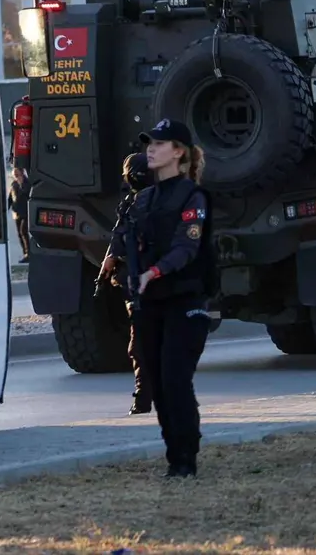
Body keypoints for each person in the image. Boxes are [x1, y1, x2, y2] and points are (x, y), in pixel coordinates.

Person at [110, 118, 216, 478]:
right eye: (148, 144)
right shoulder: (142, 200)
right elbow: (127, 241)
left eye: (159, 143)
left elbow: (187, 247)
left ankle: (186, 458)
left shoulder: (194, 197)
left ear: (179, 152)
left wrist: (153, 273)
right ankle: (174, 455)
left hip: (185, 300)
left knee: (175, 379)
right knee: (156, 382)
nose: (150, 149)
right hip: (150, 302)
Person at [98, 151, 156, 415]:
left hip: (145, 285)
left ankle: (144, 398)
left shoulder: (136, 207)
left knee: (140, 345)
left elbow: (120, 243)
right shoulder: (160, 201)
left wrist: (112, 263)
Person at [9, 157, 32, 264]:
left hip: (25, 212)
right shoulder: (13, 184)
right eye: (14, 174)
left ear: (22, 173)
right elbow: (10, 197)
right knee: (19, 233)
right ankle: (25, 254)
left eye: (17, 174)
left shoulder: (27, 183)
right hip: (16, 213)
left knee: (24, 231)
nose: (15, 176)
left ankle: (29, 253)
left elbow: (27, 194)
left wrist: (22, 183)